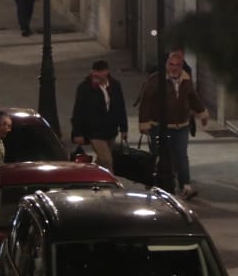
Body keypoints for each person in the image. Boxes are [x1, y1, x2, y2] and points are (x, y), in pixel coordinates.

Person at [138, 49, 208, 198]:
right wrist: (144, 123)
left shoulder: (185, 79)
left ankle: (185, 186)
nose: (174, 67)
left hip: (181, 125)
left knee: (181, 156)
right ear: (166, 64)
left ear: (181, 65)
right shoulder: (155, 79)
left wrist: (202, 112)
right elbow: (146, 101)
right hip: (159, 126)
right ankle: (155, 183)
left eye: (177, 64)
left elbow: (193, 97)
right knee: (158, 155)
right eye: (171, 64)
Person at [70, 59, 129, 169]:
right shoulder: (85, 88)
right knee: (107, 161)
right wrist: (78, 133)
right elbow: (78, 111)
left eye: (99, 72)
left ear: (106, 72)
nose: (95, 75)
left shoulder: (115, 85)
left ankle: (92, 177)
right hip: (94, 132)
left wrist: (124, 128)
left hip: (110, 130)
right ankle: (111, 185)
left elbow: (120, 107)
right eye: (94, 72)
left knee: (102, 161)